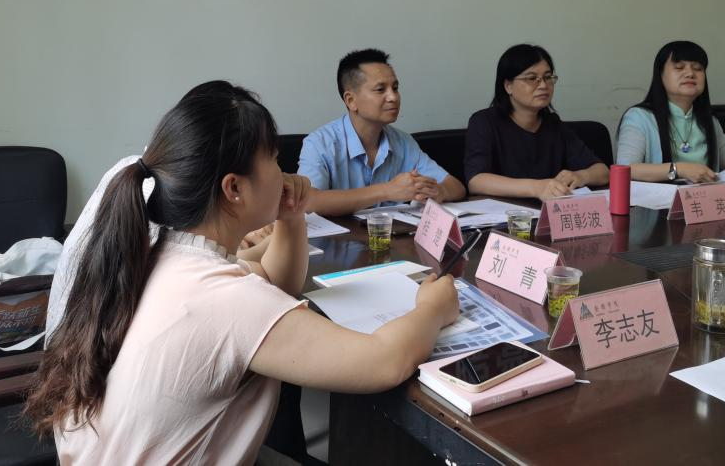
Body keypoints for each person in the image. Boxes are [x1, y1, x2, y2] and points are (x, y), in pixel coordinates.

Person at [25, 81, 458, 465]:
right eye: (275, 159)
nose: (285, 172)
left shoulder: (166, 252)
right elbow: (384, 362)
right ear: (234, 188)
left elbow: (276, 284)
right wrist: (432, 308)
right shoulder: (222, 299)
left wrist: (292, 215)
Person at [298, 49, 466, 215]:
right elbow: (308, 201)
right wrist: (387, 190)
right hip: (339, 234)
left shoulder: (403, 142)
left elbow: (456, 187)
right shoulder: (319, 143)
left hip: (393, 232)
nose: (393, 97)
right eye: (380, 89)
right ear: (351, 100)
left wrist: (439, 191)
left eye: (395, 88)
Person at [464, 44, 609, 201]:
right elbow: (476, 181)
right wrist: (536, 187)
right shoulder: (484, 122)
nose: (543, 85)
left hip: (547, 212)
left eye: (548, 77)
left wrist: (581, 176)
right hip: (504, 214)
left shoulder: (554, 124)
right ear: (508, 86)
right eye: (532, 78)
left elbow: (603, 171)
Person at [616, 40, 725, 183]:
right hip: (658, 197)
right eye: (679, 67)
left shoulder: (709, 120)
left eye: (698, 68)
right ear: (660, 75)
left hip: (704, 196)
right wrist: (679, 169)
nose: (690, 73)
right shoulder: (639, 117)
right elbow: (626, 169)